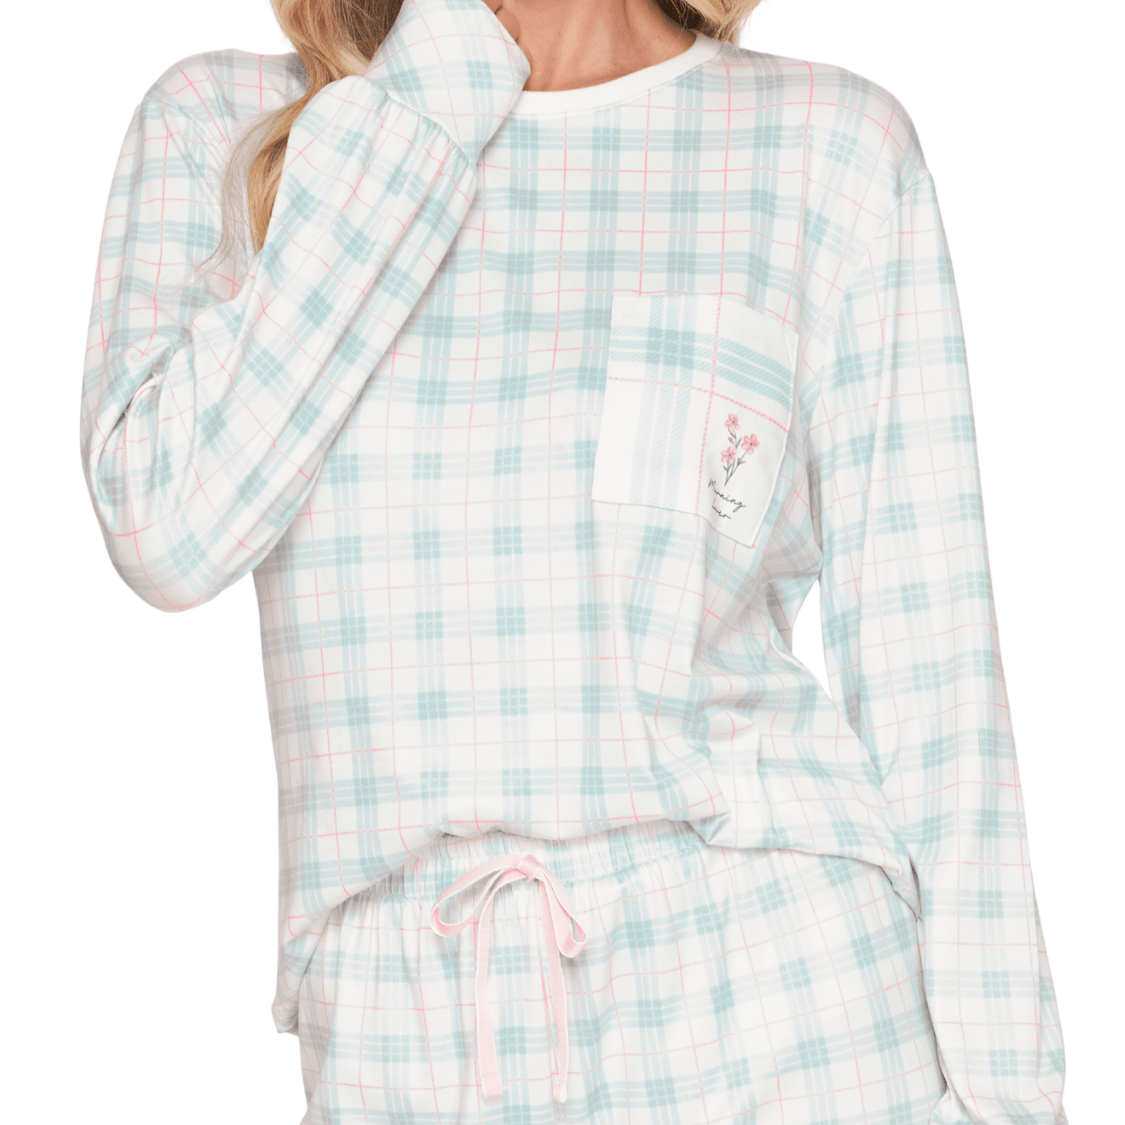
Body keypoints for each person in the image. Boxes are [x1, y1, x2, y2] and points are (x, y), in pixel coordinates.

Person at [78, 0, 1068, 1120]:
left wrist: (1011, 1100)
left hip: (786, 1016)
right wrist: (438, 83)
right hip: (408, 1047)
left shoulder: (827, 147)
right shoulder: (229, 126)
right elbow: (164, 529)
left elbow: (936, 680)